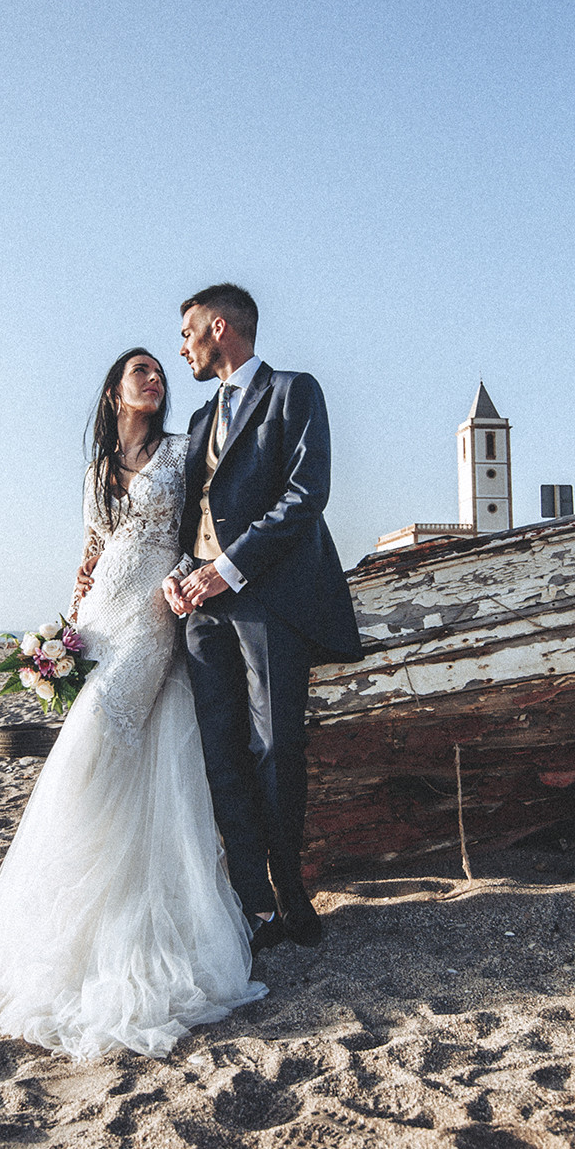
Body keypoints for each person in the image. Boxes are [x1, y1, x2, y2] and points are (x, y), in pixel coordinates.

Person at [0, 349, 265, 1060]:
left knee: (99, 736)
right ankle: (70, 913)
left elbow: (208, 519)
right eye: (141, 372)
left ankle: (123, 922)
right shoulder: (98, 472)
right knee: (99, 751)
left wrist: (192, 572)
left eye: (160, 370)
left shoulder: (186, 450)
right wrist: (75, 599)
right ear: (114, 392)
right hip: (99, 617)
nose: (155, 379)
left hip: (154, 616)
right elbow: (94, 542)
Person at [161, 284, 364, 955]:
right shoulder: (196, 423)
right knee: (222, 755)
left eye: (188, 332)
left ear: (220, 327)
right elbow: (190, 515)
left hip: (271, 599)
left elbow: (308, 493)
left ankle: (291, 889)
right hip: (203, 611)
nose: (182, 346)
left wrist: (230, 566)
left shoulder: (293, 393)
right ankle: (254, 905)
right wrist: (183, 568)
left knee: (276, 749)